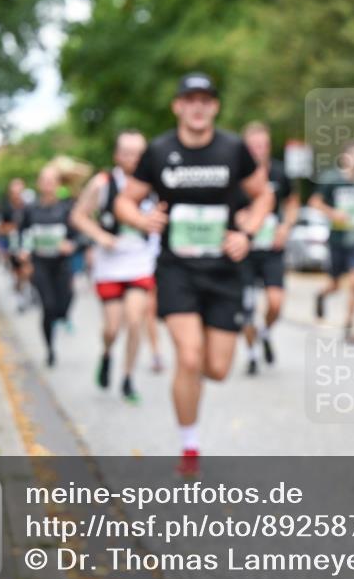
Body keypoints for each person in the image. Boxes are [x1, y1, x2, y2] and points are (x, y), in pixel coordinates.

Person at [115, 72, 273, 477]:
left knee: (216, 369)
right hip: (177, 269)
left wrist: (248, 233)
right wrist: (142, 219)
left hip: (224, 271)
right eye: (190, 99)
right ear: (178, 106)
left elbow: (263, 194)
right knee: (188, 355)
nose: (198, 106)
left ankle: (196, 371)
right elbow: (125, 202)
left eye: (206, 99)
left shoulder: (234, 149)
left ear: (215, 107)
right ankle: (190, 446)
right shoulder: (159, 150)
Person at [70, 130, 156, 403]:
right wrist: (101, 237)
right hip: (110, 264)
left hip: (140, 261)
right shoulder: (103, 183)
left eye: (139, 153)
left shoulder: (155, 182)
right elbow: (78, 216)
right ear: (118, 156)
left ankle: (128, 378)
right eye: (128, 153)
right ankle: (106, 354)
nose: (133, 159)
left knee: (134, 320)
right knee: (112, 327)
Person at [237, 121, 300, 375]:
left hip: (271, 249)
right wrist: (238, 220)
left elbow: (293, 202)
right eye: (253, 146)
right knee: (247, 308)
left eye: (262, 145)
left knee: (275, 303)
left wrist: (285, 227)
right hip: (245, 252)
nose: (258, 150)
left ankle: (264, 334)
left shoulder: (279, 173)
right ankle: (252, 353)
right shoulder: (236, 174)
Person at [310, 141, 354, 344]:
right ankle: (321, 295)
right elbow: (314, 202)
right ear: (345, 157)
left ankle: (349, 325)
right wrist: (333, 214)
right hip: (337, 238)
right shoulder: (332, 179)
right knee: (335, 284)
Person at [19, 165, 78, 367]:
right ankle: (50, 349)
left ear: (58, 184)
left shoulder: (66, 208)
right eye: (44, 180)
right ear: (38, 183)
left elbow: (78, 235)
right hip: (40, 264)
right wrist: (23, 252)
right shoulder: (30, 209)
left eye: (52, 181)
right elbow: (23, 234)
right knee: (48, 307)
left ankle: (63, 317)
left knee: (66, 300)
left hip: (61, 264)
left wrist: (72, 244)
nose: (48, 184)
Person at [0, 179, 32, 312]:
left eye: (20, 192)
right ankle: (20, 296)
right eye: (15, 192)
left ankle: (27, 292)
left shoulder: (29, 207)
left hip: (27, 243)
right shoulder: (7, 208)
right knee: (17, 274)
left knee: (28, 270)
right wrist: (11, 228)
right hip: (12, 245)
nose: (17, 195)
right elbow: (1, 228)